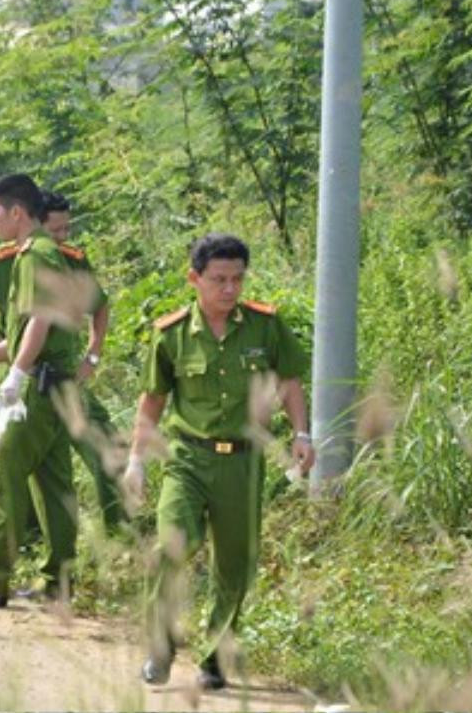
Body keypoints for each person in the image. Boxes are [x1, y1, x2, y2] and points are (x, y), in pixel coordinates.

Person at [123, 233, 314, 690]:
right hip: (188, 458)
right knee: (173, 545)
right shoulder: (171, 335)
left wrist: (302, 434)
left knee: (235, 565)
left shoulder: (265, 327)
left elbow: (288, 383)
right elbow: (152, 401)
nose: (229, 289)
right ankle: (161, 644)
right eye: (219, 280)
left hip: (243, 464)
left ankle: (214, 657)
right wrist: (136, 460)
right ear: (195, 279)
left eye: (237, 279)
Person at [0, 190, 126, 541]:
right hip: (20, 378)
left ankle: (117, 539)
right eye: (55, 231)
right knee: (19, 469)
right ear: (36, 222)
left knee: (99, 449)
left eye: (67, 230)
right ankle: (28, 546)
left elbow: (99, 305)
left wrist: (94, 354)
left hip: (63, 375)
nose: (62, 238)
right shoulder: (6, 259)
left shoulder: (69, 259)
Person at [0, 174, 81, 608]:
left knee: (7, 478)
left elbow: (39, 321)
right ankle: (58, 582)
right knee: (55, 482)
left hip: (38, 389)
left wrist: (17, 376)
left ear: (16, 213)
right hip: (57, 383)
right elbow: (28, 331)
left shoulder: (34, 256)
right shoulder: (46, 253)